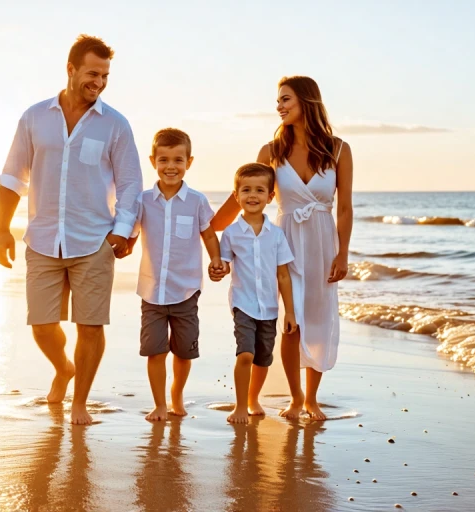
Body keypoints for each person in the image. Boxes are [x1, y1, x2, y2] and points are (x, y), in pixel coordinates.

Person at [0, 34, 143, 426]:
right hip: (42, 238)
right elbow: (12, 176)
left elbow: (130, 184)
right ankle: (63, 368)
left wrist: (123, 230)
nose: (99, 81)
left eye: (106, 75)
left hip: (95, 240)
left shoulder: (116, 125)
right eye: (93, 73)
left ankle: (80, 403)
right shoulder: (34, 117)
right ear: (71, 69)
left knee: (90, 326)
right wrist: (1, 230)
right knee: (42, 325)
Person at [211, 76, 353, 421]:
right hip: (283, 241)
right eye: (278, 100)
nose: (279, 106)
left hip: (322, 243)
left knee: (317, 320)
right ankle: (295, 397)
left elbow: (346, 206)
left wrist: (343, 253)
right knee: (292, 321)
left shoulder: (338, 149)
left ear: (306, 100)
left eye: (285, 99)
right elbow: (244, 192)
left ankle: (312, 399)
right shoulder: (270, 152)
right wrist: (209, 225)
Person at [130, 128, 223, 422]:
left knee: (183, 352)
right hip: (152, 290)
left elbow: (208, 234)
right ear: (152, 161)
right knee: (155, 351)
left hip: (186, 290)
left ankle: (177, 395)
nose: (171, 166)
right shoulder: (142, 200)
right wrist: (116, 247)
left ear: (189, 162)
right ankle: (159, 404)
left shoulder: (196, 201)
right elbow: (129, 234)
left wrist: (217, 259)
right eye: (164, 159)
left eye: (178, 160)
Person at [215, 163, 297, 425]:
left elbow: (283, 275)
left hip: (269, 308)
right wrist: (218, 269)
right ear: (236, 195)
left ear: (270, 197)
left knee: (263, 358)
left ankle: (253, 398)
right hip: (243, 303)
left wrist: (290, 312)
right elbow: (225, 264)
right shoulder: (231, 233)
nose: (253, 195)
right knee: (246, 354)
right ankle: (240, 406)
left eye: (260, 190)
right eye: (246, 190)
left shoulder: (276, 235)